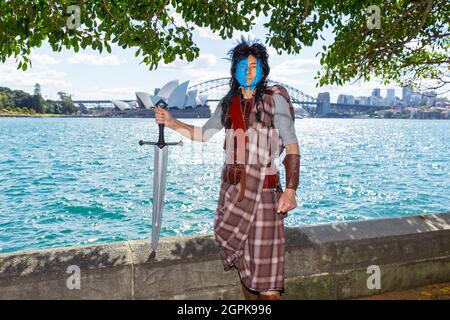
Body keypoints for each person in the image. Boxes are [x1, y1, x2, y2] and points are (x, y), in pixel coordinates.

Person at [155, 38, 301, 300]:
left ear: (263, 70)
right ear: (235, 71)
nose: (248, 71)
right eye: (243, 66)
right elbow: (202, 134)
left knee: (268, 287)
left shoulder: (274, 101)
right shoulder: (228, 104)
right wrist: (172, 121)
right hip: (233, 196)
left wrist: (290, 191)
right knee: (245, 273)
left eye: (254, 66)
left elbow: (292, 147)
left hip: (265, 199)